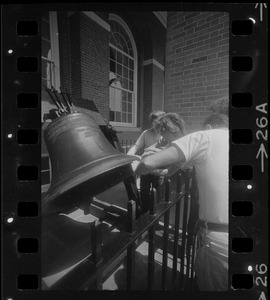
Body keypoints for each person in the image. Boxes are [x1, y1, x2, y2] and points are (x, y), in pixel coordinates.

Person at [135, 111, 229, 291]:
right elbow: (174, 168)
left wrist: (142, 163)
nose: (163, 136)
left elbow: (148, 164)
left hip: (219, 238)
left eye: (165, 132)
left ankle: (188, 249)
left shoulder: (202, 137)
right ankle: (188, 249)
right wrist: (162, 171)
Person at [127, 110, 165, 213]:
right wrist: (128, 156)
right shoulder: (146, 133)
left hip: (159, 168)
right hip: (146, 167)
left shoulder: (165, 134)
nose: (155, 125)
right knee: (144, 192)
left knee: (158, 194)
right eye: (153, 122)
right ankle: (145, 214)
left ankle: (157, 215)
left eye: (157, 122)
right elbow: (136, 146)